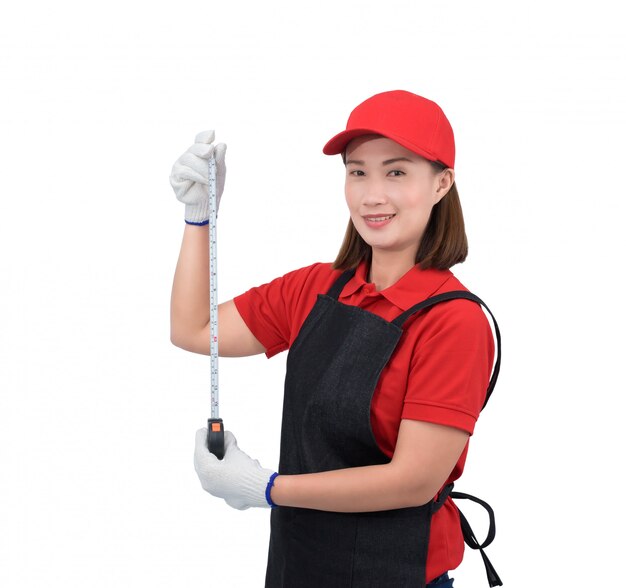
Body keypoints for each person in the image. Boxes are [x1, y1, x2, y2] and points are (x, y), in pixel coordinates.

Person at [169, 90, 503, 588]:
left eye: (396, 171)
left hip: (398, 577)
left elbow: (413, 480)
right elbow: (194, 329)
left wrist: (266, 488)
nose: (372, 195)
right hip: (297, 568)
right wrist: (200, 220)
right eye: (357, 171)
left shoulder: (454, 321)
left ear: (441, 183)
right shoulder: (317, 287)